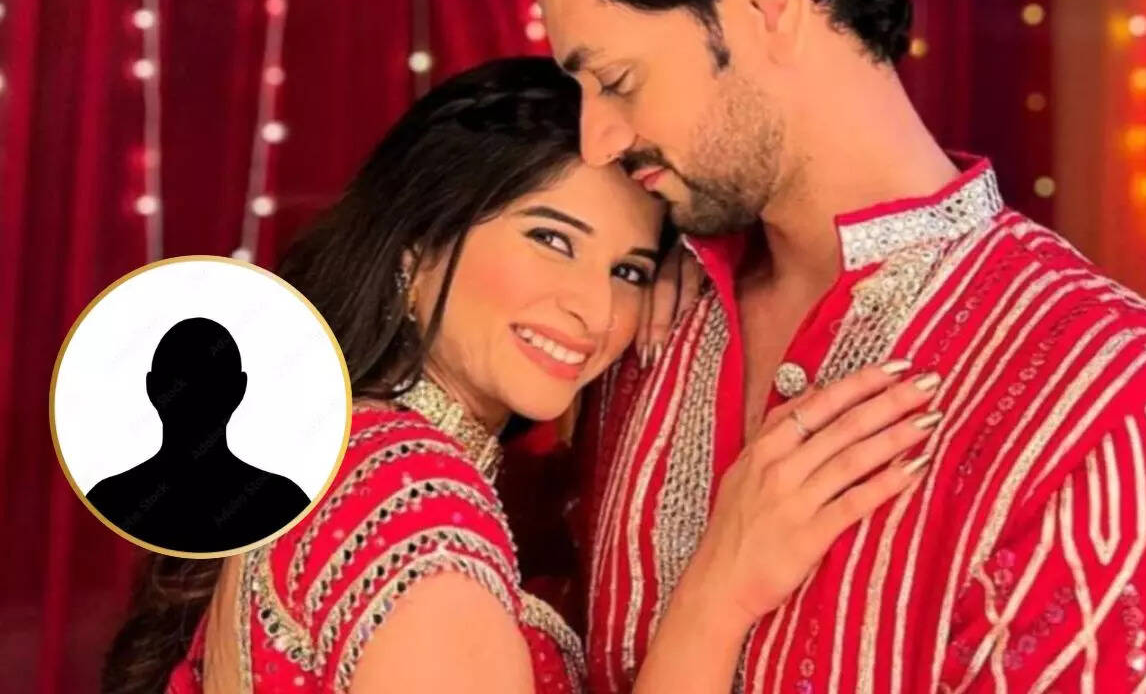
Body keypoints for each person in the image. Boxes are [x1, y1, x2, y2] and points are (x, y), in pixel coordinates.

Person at [101, 57, 940, 694]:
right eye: (551, 239)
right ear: (416, 247)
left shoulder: (327, 452)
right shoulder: (411, 503)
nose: (595, 309)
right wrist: (718, 592)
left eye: (628, 270)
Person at [531, 0, 1146, 691]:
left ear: (768, 5)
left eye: (617, 81)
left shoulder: (1119, 404)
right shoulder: (639, 329)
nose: (597, 142)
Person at [87, 317, 311, 553]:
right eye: (183, 380)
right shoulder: (284, 504)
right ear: (239, 389)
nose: (194, 396)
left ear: (152, 387)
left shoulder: (108, 502)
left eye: (207, 382)